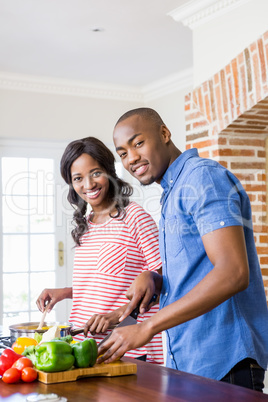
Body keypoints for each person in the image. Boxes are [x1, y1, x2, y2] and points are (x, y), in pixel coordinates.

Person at [97, 107, 268, 391]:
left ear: (164, 133)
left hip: (225, 362)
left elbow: (233, 272)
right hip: (191, 362)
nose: (132, 158)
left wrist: (147, 327)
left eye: (138, 143)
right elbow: (198, 268)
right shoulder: (173, 192)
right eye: (123, 152)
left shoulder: (202, 178)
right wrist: (156, 278)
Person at [36, 136, 163, 364]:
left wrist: (116, 316)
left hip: (129, 350)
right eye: (78, 178)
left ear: (109, 171)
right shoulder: (86, 223)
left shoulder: (135, 217)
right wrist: (65, 292)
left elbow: (164, 282)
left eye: (95, 173)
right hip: (86, 347)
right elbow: (105, 285)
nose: (89, 185)